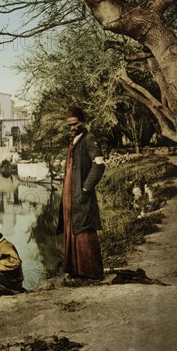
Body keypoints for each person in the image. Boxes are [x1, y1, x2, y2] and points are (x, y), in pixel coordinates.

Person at [57, 106, 106, 279]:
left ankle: (90, 271)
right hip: (70, 194)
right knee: (71, 227)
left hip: (80, 193)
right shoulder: (74, 140)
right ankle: (75, 270)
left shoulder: (89, 139)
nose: (72, 127)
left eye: (75, 124)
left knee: (84, 229)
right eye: (69, 125)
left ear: (83, 121)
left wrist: (86, 188)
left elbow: (99, 165)